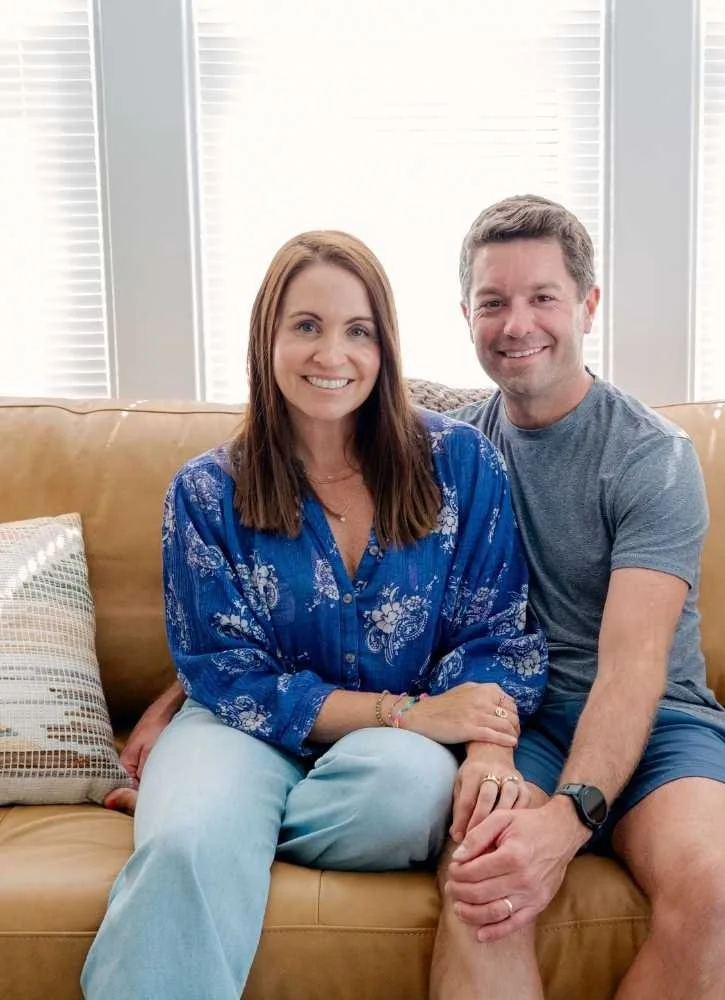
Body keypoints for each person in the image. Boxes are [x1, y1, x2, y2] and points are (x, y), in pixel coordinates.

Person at [82, 230, 547, 1000]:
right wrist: (404, 713)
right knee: (191, 842)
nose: (332, 354)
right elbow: (228, 675)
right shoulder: (205, 493)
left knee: (408, 800)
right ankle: (199, 816)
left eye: (357, 331)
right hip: (245, 729)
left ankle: (215, 815)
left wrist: (481, 744)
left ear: (385, 346)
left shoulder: (462, 463)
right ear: (268, 338)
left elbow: (496, 637)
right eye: (306, 326)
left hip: (394, 751)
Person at [430, 195, 725, 1000]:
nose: (517, 324)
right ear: (467, 316)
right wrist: (179, 694)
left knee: (715, 885)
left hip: (664, 724)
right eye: (493, 302)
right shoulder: (455, 454)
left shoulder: (651, 457)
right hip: (527, 723)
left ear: (587, 305)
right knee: (482, 887)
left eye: (543, 297)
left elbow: (634, 666)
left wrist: (567, 818)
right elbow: (311, 583)